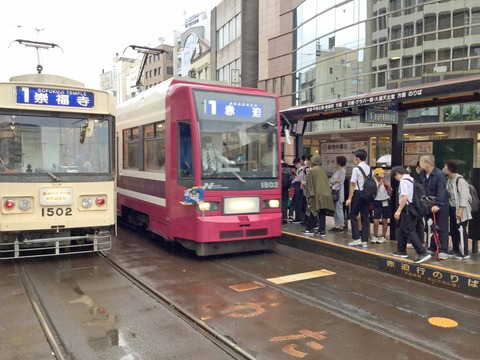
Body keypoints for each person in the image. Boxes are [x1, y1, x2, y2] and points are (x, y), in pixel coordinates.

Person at [390, 166, 431, 263]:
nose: (396, 179)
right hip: (413, 208)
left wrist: (398, 210)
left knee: (409, 230)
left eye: (395, 177)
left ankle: (422, 252)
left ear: (397, 174)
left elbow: (405, 197)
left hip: (407, 209)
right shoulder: (411, 179)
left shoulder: (404, 181)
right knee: (403, 229)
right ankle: (401, 250)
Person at [419, 154, 449, 260]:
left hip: (439, 205)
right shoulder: (422, 174)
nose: (420, 163)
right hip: (427, 205)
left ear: (428, 163)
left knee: (441, 227)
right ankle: (432, 247)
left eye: (421, 161)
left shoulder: (439, 174)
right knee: (430, 226)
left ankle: (443, 249)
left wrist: (438, 205)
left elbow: (442, 190)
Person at [443, 159, 472, 260]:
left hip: (460, 209)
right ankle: (455, 249)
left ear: (450, 169)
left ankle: (464, 252)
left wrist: (460, 210)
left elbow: (464, 196)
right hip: (452, 207)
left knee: (461, 229)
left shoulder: (460, 180)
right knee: (453, 229)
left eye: (445, 167)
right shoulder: (448, 179)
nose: (443, 168)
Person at [302, 155, 335, 237]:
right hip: (325, 194)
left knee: (312, 210)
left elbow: (310, 184)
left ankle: (310, 229)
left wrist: (309, 195)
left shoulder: (312, 170)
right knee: (322, 212)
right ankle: (322, 230)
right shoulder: (322, 170)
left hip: (316, 194)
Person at [346, 149, 371, 248]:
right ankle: (364, 240)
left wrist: (349, 198)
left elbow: (353, 184)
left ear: (357, 158)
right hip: (367, 194)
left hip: (358, 194)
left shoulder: (356, 169)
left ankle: (356, 238)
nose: (354, 159)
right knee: (365, 217)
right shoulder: (369, 168)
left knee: (353, 215)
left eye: (355, 158)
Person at [371, 167, 391, 244]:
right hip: (377, 202)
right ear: (376, 175)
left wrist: (388, 187)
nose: (382, 176)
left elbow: (390, 194)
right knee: (376, 220)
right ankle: (375, 235)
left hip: (386, 201)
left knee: (384, 220)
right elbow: (373, 194)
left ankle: (383, 236)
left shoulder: (386, 182)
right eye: (380, 174)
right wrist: (378, 186)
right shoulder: (374, 183)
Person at [328, 155, 346, 233]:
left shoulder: (343, 171)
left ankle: (341, 226)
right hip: (333, 192)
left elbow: (340, 182)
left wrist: (332, 187)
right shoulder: (335, 170)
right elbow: (331, 180)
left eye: (336, 161)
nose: (335, 162)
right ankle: (336, 225)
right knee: (334, 209)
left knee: (339, 209)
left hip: (338, 192)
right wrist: (335, 181)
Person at [289, 158, 303, 223]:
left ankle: (298, 217)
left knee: (297, 202)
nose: (295, 165)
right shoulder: (298, 169)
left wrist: (294, 180)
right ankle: (296, 217)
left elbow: (299, 178)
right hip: (296, 186)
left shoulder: (302, 169)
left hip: (298, 185)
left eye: (295, 164)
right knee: (295, 201)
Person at [281, 152, 293, 224]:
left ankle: (279, 218)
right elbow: (290, 178)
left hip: (276, 187)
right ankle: (284, 218)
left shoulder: (274, 166)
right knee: (284, 202)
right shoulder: (287, 166)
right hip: (285, 188)